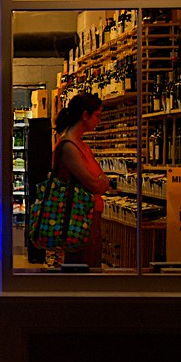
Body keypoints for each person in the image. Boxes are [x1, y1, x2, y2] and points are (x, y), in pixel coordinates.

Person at [53, 92, 111, 269]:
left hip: (86, 216)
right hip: (79, 219)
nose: (98, 121)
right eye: (97, 116)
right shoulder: (69, 147)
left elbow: (99, 179)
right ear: (85, 115)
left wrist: (100, 180)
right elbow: (95, 183)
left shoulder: (79, 145)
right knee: (83, 268)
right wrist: (101, 181)